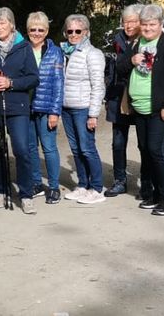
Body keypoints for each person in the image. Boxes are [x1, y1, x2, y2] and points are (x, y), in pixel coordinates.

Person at [116, 4, 164, 216]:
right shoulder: (138, 43)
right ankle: (154, 194)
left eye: (152, 25)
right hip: (141, 107)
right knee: (146, 151)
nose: (147, 28)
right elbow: (120, 67)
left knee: (157, 151)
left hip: (160, 108)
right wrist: (131, 60)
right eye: (144, 24)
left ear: (160, 24)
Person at [0, 7, 40, 214]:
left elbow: (33, 77)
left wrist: (10, 83)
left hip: (18, 106)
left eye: (3, 23)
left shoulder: (23, 47)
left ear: (12, 25)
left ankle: (26, 193)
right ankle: (0, 191)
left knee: (22, 149)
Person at [60, 14, 107, 205]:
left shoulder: (93, 54)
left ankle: (96, 188)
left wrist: (93, 114)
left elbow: (98, 85)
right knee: (76, 149)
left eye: (77, 31)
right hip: (67, 108)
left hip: (83, 109)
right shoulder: (65, 52)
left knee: (87, 149)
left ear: (86, 32)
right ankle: (82, 184)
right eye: (69, 31)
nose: (73, 34)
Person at [103, 4, 148, 199]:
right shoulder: (117, 40)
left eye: (133, 21)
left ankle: (147, 183)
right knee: (118, 142)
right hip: (118, 95)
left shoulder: (147, 41)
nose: (129, 25)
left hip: (140, 96)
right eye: (125, 21)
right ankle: (119, 180)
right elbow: (110, 68)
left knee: (144, 143)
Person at [27, 11, 64, 204]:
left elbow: (58, 83)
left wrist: (54, 111)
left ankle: (54, 186)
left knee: (49, 148)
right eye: (33, 29)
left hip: (46, 106)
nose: (36, 32)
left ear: (47, 31)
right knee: (31, 148)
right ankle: (36, 183)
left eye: (40, 29)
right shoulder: (22, 48)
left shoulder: (54, 51)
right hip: (27, 107)